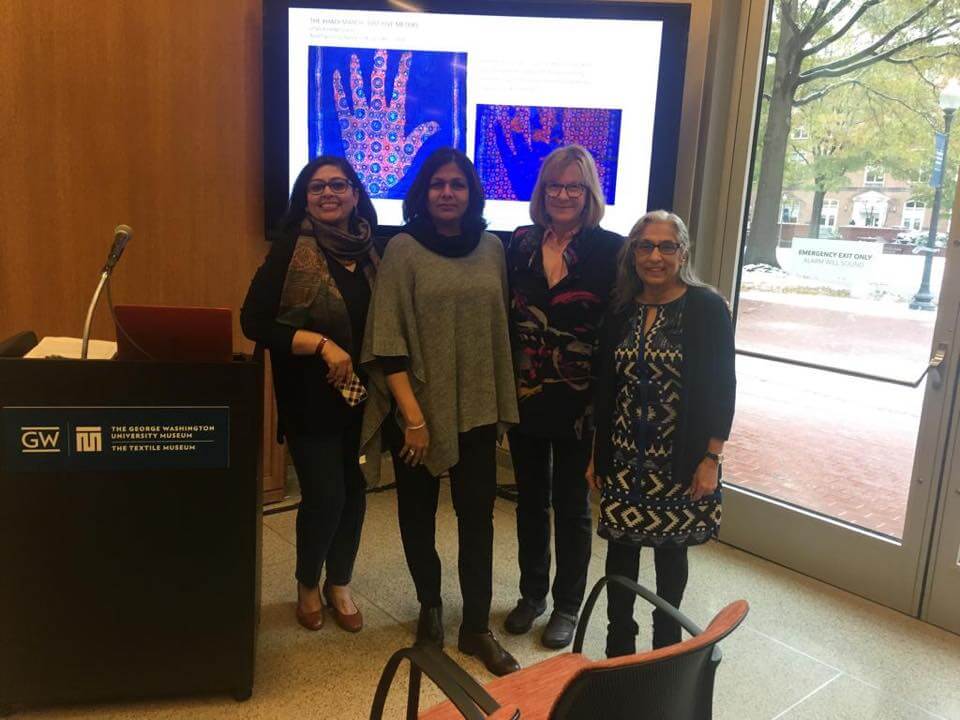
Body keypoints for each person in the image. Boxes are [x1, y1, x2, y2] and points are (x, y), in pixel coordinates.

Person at [360, 147, 521, 676]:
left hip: (476, 406)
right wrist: (414, 418)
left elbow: (498, 333)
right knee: (416, 513)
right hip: (417, 410)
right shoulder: (402, 249)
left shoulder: (493, 249)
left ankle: (476, 627)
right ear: (423, 193)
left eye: (457, 184)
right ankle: (429, 607)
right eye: (437, 184)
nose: (447, 193)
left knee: (478, 518)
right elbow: (387, 342)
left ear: (472, 193)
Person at [587, 210, 736, 657]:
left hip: (679, 460)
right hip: (623, 457)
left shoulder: (706, 307)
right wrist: (597, 454)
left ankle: (666, 648)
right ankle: (618, 647)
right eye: (646, 246)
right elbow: (606, 389)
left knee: (672, 557)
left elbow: (723, 387)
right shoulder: (621, 309)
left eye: (666, 246)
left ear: (682, 253)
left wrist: (712, 458)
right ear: (633, 253)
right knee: (621, 554)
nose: (655, 256)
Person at [241, 156, 379, 634]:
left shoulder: (372, 253)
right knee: (325, 495)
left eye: (338, 185)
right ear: (305, 199)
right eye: (316, 187)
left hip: (364, 396)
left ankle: (339, 582)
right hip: (309, 398)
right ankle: (306, 583)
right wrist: (321, 344)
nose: (328, 193)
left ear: (355, 194)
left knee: (355, 492)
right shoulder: (289, 252)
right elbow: (254, 323)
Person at [503, 145, 623, 648]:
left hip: (581, 401)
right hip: (526, 392)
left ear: (589, 193)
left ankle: (568, 605)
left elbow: (619, 326)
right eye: (555, 185)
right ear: (542, 191)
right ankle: (532, 595)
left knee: (572, 505)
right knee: (529, 501)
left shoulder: (612, 250)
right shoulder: (520, 242)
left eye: (575, 186)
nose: (564, 195)